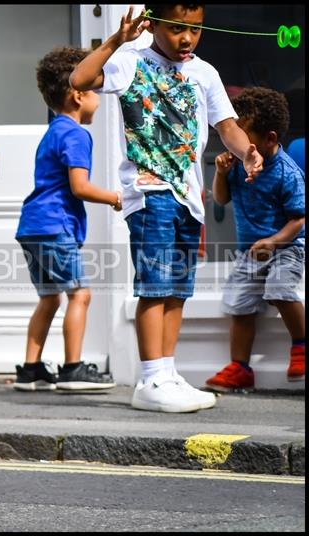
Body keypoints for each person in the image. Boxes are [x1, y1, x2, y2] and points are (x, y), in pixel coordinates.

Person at [70, 5, 264, 412]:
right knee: (154, 288)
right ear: (153, 23)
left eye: (195, 29)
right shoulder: (130, 62)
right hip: (148, 191)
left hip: (188, 197)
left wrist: (248, 152)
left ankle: (167, 372)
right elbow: (80, 78)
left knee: (177, 290)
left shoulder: (205, 74)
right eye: (176, 28)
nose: (187, 39)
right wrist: (116, 40)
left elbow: (226, 126)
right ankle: (149, 378)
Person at [13, 46, 120, 392]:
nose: (100, 98)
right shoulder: (75, 134)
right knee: (80, 294)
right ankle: (73, 368)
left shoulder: (53, 131)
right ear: (78, 95)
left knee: (49, 297)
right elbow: (80, 187)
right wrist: (117, 197)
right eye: (96, 90)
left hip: (32, 227)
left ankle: (31, 369)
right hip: (55, 226)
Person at [205, 87, 305, 392]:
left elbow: (299, 219)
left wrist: (274, 242)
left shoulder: (287, 172)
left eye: (241, 135)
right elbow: (221, 201)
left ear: (269, 139)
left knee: (279, 286)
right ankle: (240, 367)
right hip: (249, 251)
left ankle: (301, 345)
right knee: (238, 302)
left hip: (287, 247)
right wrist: (221, 174)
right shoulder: (236, 163)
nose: (233, 141)